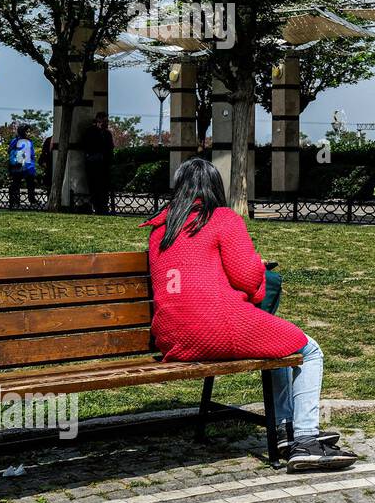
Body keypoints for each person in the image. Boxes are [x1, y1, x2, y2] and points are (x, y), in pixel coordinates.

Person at [144, 159, 356, 472]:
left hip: (172, 338)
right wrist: (257, 274)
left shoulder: (160, 229)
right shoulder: (221, 218)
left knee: (278, 345)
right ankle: (307, 441)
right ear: (215, 188)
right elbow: (246, 276)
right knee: (309, 351)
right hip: (217, 326)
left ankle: (286, 431)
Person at [81, 111, 114, 214]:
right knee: (95, 187)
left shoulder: (106, 133)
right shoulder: (91, 132)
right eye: (104, 120)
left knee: (102, 187)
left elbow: (110, 148)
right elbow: (87, 145)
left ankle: (102, 207)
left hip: (102, 164)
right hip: (94, 163)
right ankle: (97, 206)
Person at [8, 124, 37, 209]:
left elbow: (32, 153)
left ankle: (31, 200)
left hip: (28, 166)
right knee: (17, 183)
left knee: (31, 183)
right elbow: (10, 150)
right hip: (19, 165)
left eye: (29, 131)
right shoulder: (16, 140)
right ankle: (15, 201)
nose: (28, 133)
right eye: (27, 131)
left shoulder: (28, 141)